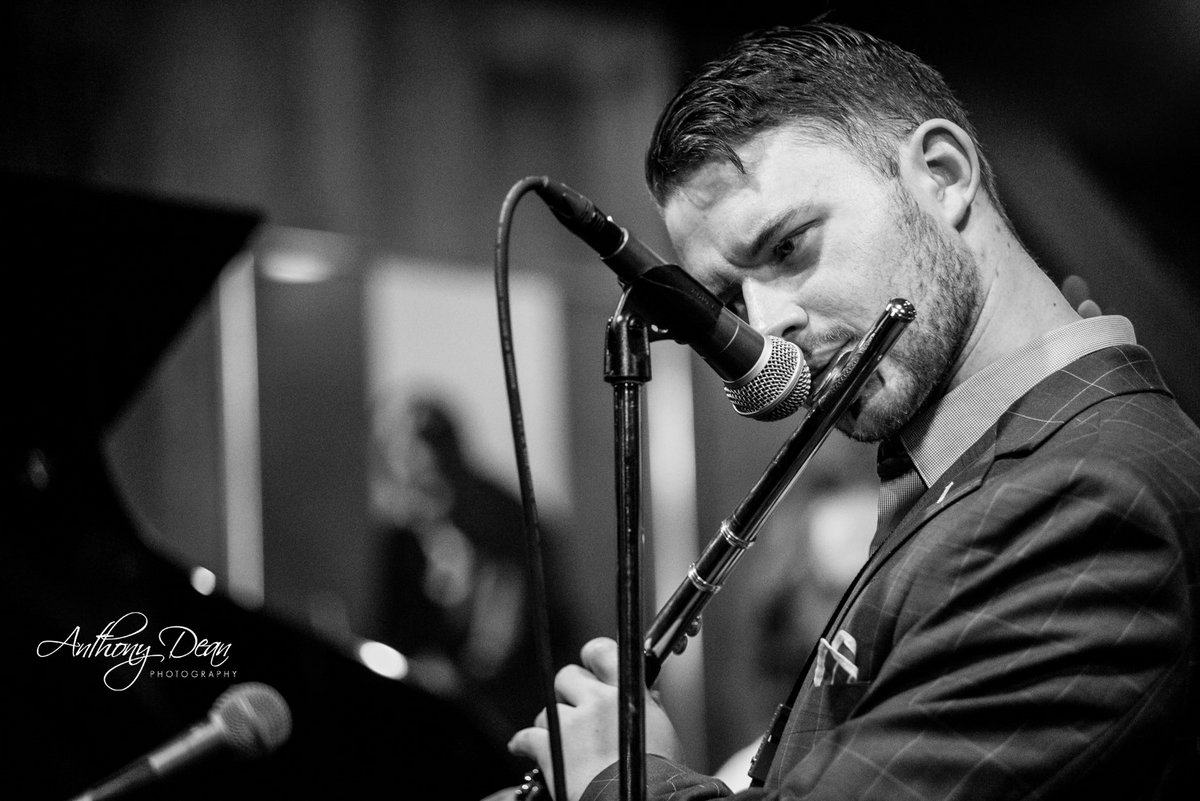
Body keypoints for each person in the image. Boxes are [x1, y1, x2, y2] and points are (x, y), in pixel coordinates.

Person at [503, 22, 1200, 801]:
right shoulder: (959, 477)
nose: (767, 325)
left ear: (943, 175)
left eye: (788, 247)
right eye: (729, 297)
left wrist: (623, 778)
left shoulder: (1094, 500)